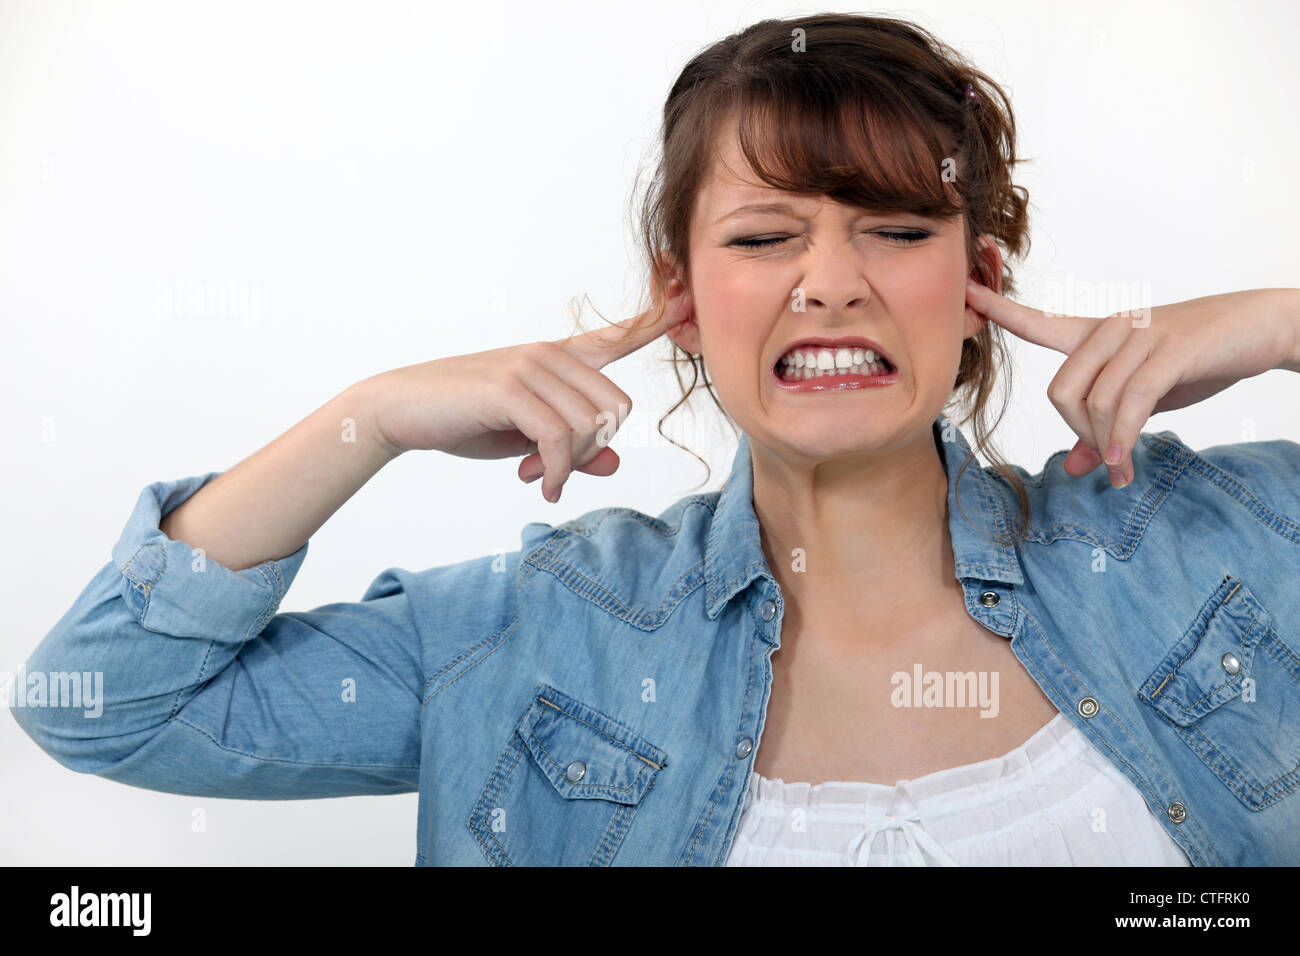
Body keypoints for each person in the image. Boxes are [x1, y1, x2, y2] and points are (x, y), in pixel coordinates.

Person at [12, 12, 1300, 866]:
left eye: (898, 231)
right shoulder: (532, 634)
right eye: (762, 237)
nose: (832, 281)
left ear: (979, 280)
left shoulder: (1215, 549)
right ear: (679, 300)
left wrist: (1283, 321)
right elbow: (107, 705)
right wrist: (375, 415)